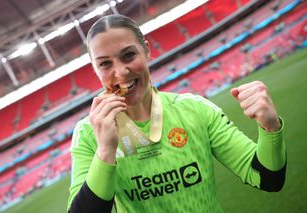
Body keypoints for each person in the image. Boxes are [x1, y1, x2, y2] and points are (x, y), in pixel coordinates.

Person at [67, 14, 286, 213]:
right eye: (105, 63)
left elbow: (268, 178)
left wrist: (270, 128)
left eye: (128, 55)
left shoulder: (195, 109)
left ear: (146, 50)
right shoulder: (88, 133)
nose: (121, 72)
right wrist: (105, 150)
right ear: (95, 69)